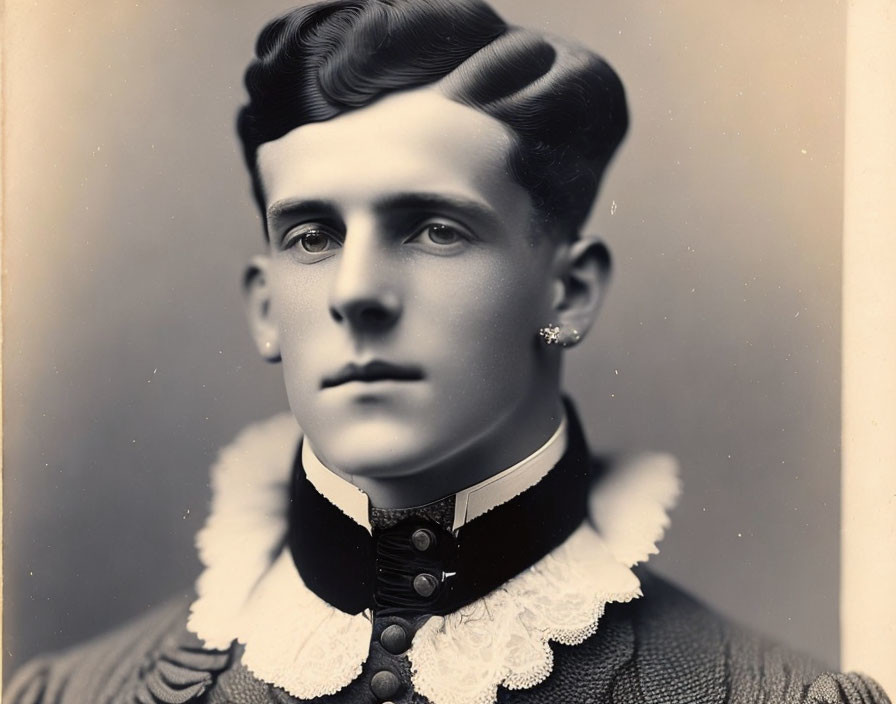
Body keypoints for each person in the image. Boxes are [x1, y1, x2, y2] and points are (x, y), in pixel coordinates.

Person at [5, 1, 890, 703]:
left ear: (567, 292)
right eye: (312, 234)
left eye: (434, 228)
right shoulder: (71, 696)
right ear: (267, 308)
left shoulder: (769, 695)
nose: (355, 290)